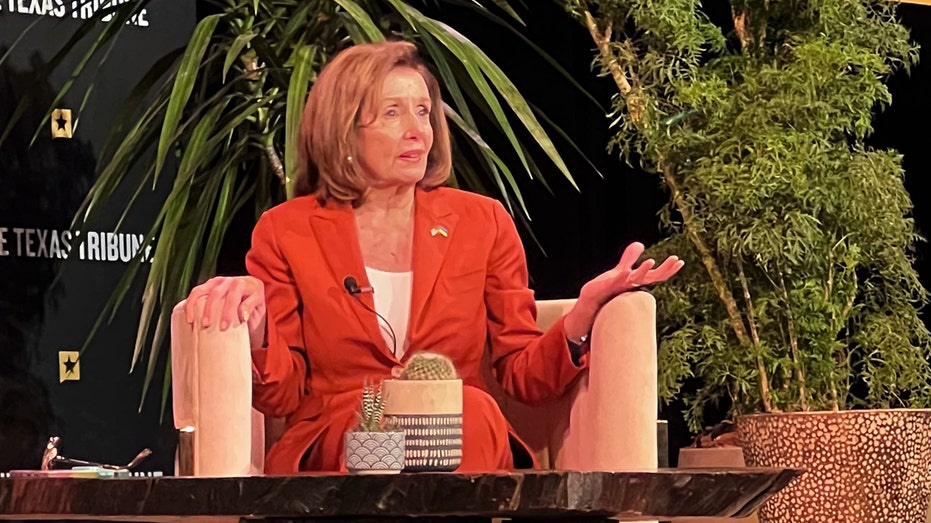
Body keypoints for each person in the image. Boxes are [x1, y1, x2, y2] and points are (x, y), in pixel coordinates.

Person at [183, 40, 683, 474]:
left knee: (470, 413)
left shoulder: (482, 222)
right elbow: (283, 395)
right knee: (375, 431)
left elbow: (521, 373)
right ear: (344, 130)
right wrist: (258, 331)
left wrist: (582, 315)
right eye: (392, 113)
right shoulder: (287, 230)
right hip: (345, 432)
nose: (418, 131)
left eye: (423, 111)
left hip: (457, 428)